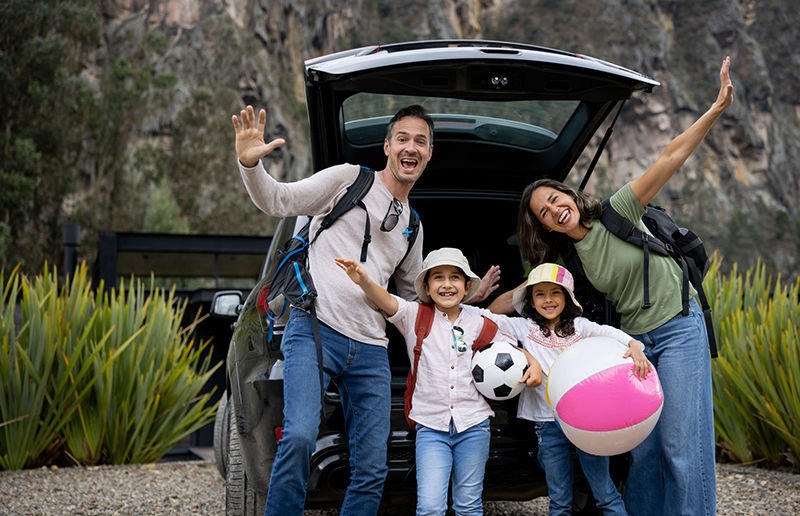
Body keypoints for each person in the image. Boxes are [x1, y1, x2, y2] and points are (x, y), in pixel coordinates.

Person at [493, 57, 734, 516]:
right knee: (641, 446)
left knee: (682, 445)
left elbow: (669, 157)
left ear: (567, 194)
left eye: (554, 199)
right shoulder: (568, 262)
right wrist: (464, 298)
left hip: (678, 329)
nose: (553, 210)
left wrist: (716, 108)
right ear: (545, 227)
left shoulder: (617, 210)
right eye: (544, 213)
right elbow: (524, 293)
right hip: (634, 343)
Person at [232, 104, 499, 515]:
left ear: (430, 153)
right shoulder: (348, 180)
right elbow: (279, 200)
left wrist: (470, 293)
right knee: (300, 436)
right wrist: (251, 165)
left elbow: (417, 296)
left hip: (371, 349)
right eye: (404, 139)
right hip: (315, 328)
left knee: (372, 468)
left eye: (421, 142)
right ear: (388, 145)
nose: (412, 148)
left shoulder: (413, 225)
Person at [335, 248, 542, 516]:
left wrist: (533, 362)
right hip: (431, 428)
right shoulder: (414, 316)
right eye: (438, 278)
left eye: (455, 278)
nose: (447, 284)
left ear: (467, 286)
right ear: (427, 287)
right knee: (431, 506)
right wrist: (363, 280)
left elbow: (512, 348)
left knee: (468, 505)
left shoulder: (480, 320)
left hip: (474, 424)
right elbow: (385, 300)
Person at [466, 263, 651, 515]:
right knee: (559, 499)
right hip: (547, 423)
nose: (548, 300)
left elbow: (607, 332)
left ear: (567, 297)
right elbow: (485, 317)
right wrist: (466, 298)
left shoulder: (580, 327)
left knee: (605, 493)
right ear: (530, 300)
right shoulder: (524, 328)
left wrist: (634, 344)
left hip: (586, 423)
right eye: (539, 294)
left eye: (556, 292)